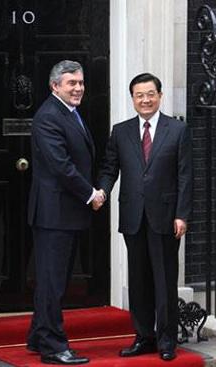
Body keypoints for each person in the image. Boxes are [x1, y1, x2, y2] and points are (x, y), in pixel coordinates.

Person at [94, 73, 192, 361]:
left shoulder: (177, 130)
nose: (145, 100)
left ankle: (166, 341)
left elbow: (186, 176)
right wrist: (102, 191)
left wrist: (182, 215)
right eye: (139, 95)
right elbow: (110, 168)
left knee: (164, 281)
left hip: (166, 217)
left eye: (150, 94)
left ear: (160, 96)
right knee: (138, 281)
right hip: (133, 216)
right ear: (133, 98)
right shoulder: (120, 131)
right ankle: (144, 337)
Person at [27, 60, 104, 365]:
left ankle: (37, 336)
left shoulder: (68, 112)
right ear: (54, 86)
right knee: (53, 282)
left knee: (52, 280)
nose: (78, 88)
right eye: (71, 83)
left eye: (81, 82)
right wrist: (91, 194)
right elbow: (61, 166)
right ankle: (53, 346)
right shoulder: (48, 116)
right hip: (54, 215)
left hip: (64, 214)